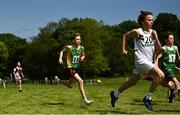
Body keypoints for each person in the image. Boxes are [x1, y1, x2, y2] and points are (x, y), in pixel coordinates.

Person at [110, 11, 164, 111]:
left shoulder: (153, 33)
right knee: (160, 75)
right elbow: (125, 36)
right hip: (140, 61)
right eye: (149, 20)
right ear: (143, 22)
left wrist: (156, 37)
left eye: (152, 19)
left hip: (147, 62)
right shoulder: (137, 32)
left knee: (132, 82)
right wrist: (123, 49)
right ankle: (148, 98)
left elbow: (159, 49)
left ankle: (115, 93)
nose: (151, 21)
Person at [58, 33, 93, 105]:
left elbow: (83, 55)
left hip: (76, 68)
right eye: (77, 39)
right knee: (81, 81)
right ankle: (85, 100)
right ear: (73, 40)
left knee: (69, 85)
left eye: (80, 39)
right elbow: (62, 51)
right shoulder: (69, 47)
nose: (79, 40)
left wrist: (82, 58)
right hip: (70, 68)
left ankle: (59, 81)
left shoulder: (82, 48)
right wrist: (60, 58)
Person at [156, 31, 180, 103]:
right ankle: (175, 94)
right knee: (177, 83)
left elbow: (177, 58)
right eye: (170, 38)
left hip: (172, 69)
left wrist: (176, 67)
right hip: (166, 69)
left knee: (170, 85)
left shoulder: (175, 48)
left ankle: (170, 98)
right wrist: (156, 64)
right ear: (166, 40)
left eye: (173, 38)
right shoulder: (164, 48)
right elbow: (156, 56)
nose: (172, 40)